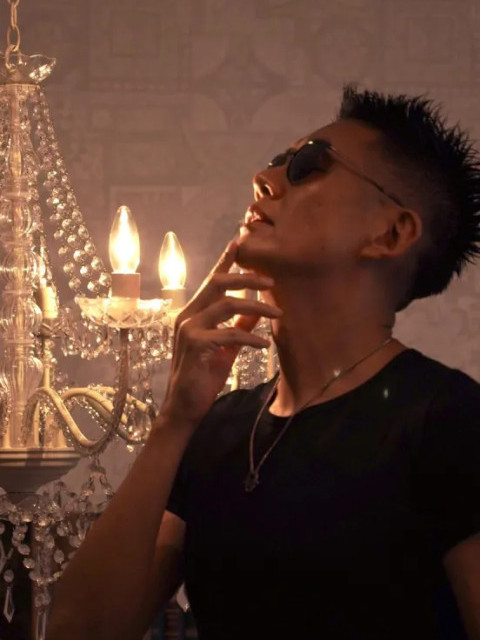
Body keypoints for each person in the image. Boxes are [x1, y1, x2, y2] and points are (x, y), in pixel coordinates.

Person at [46, 85, 480, 640]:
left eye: (308, 165)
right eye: (278, 160)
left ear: (391, 233)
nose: (265, 178)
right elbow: (81, 631)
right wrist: (175, 419)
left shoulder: (450, 421)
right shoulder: (218, 428)